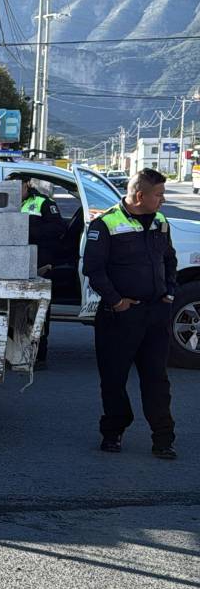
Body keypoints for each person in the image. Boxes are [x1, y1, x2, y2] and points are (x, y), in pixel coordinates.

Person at [82, 168, 178, 459]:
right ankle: (113, 432)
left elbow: (169, 260)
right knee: (114, 379)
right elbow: (93, 269)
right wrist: (116, 302)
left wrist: (169, 292)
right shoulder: (105, 224)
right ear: (140, 196)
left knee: (157, 379)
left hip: (155, 314)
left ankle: (163, 439)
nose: (163, 200)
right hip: (120, 317)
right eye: (159, 195)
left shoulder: (160, 222)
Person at [9, 172, 68, 369]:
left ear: (27, 185)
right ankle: (12, 354)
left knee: (38, 312)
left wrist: (25, 229)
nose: (14, 191)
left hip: (38, 264)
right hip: (11, 263)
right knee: (11, 311)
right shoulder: (2, 201)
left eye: (18, 187)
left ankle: (38, 356)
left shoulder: (43, 203)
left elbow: (58, 229)